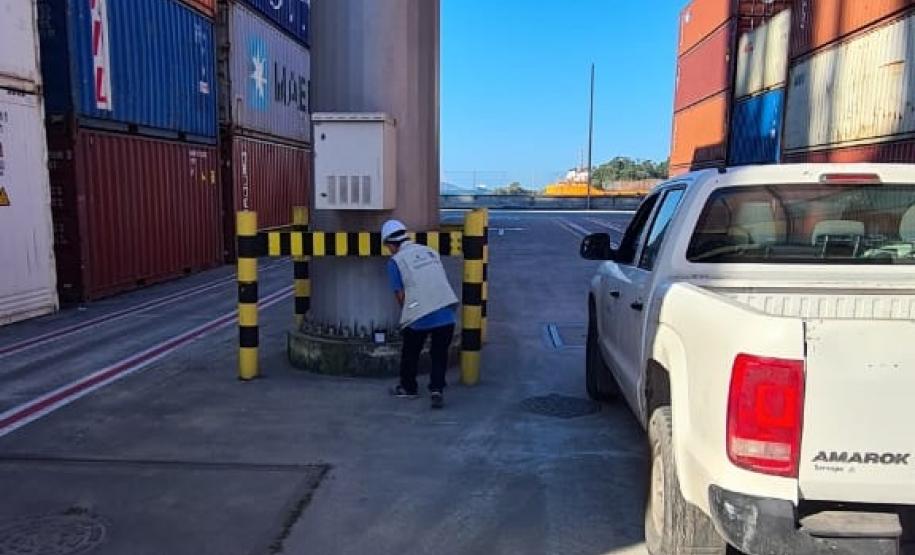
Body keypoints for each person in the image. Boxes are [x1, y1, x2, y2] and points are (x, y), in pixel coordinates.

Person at [382, 219, 459, 409]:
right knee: (439, 353)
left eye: (388, 247)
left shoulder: (396, 262)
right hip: (446, 310)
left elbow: (400, 295)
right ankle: (437, 390)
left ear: (391, 244)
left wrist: (409, 313)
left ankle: (408, 388)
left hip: (421, 315)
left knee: (411, 352)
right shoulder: (429, 251)